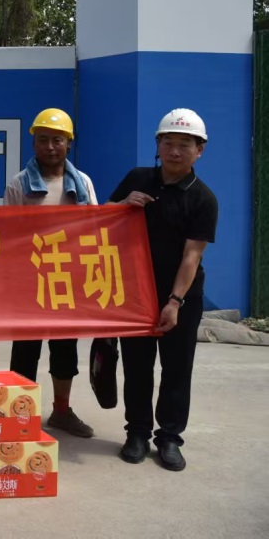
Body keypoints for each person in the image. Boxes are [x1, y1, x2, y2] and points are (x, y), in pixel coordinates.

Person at [110, 108, 217, 472]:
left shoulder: (203, 199)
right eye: (168, 142)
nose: (175, 151)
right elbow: (102, 218)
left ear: (199, 150)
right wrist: (121, 205)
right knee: (137, 367)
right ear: (157, 144)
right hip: (135, 294)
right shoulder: (138, 179)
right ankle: (137, 433)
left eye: (185, 144)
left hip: (181, 297)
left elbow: (192, 255)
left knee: (176, 369)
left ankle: (169, 438)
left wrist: (174, 302)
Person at [4, 108, 98, 438]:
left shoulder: (83, 183)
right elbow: (8, 236)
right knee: (25, 351)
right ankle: (20, 415)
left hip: (67, 282)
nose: (50, 147)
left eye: (57, 140)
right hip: (30, 282)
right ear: (33, 143)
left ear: (69, 143)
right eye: (43, 140)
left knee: (64, 350)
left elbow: (94, 229)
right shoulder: (19, 184)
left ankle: (61, 410)